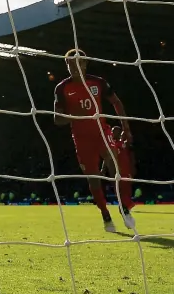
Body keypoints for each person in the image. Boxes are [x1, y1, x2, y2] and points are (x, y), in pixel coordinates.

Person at [54, 49, 135, 232]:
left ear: (85, 64)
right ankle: (105, 215)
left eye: (79, 63)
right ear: (66, 65)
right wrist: (76, 116)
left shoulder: (97, 82)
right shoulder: (62, 88)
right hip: (82, 139)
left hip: (101, 131)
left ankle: (124, 208)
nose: (75, 67)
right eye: (71, 64)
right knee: (93, 179)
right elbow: (57, 119)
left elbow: (116, 102)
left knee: (114, 164)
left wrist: (126, 128)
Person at [101, 126, 136, 214]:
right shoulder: (111, 145)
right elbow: (106, 158)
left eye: (114, 131)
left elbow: (130, 154)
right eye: (112, 131)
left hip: (126, 170)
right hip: (117, 171)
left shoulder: (123, 144)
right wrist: (103, 170)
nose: (112, 133)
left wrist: (132, 168)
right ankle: (123, 206)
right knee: (120, 189)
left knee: (127, 189)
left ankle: (126, 206)